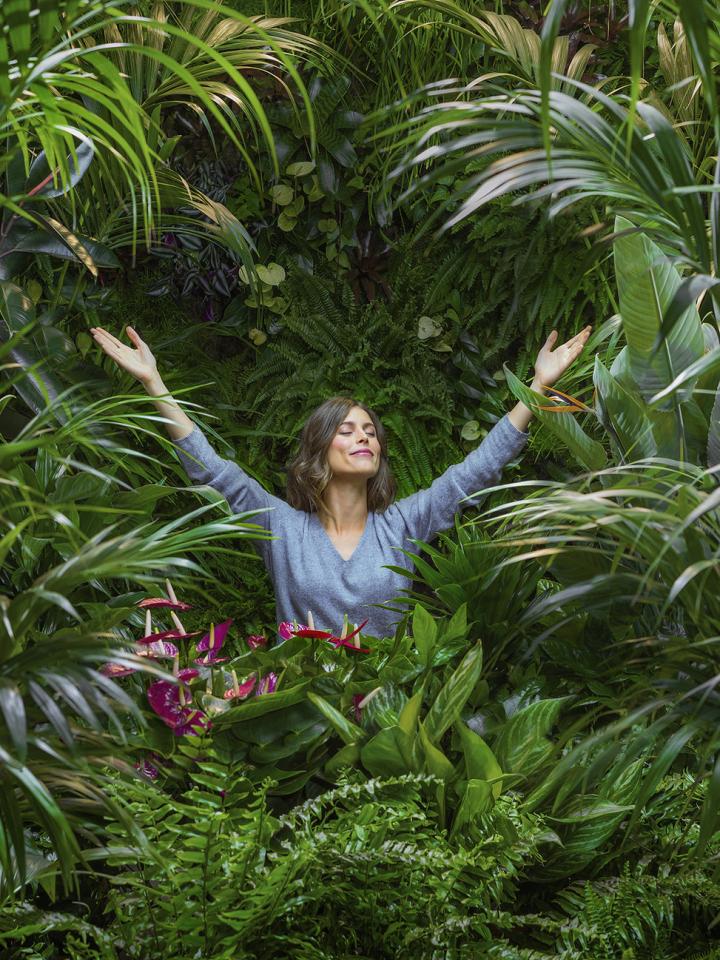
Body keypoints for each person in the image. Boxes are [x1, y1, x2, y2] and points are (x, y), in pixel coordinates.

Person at [90, 323, 591, 637]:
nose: (364, 437)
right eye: (347, 430)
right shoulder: (281, 528)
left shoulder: (403, 525)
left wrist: (538, 389)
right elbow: (212, 471)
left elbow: (474, 473)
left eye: (371, 431)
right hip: (300, 724)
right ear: (319, 449)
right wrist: (152, 383)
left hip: (388, 719)